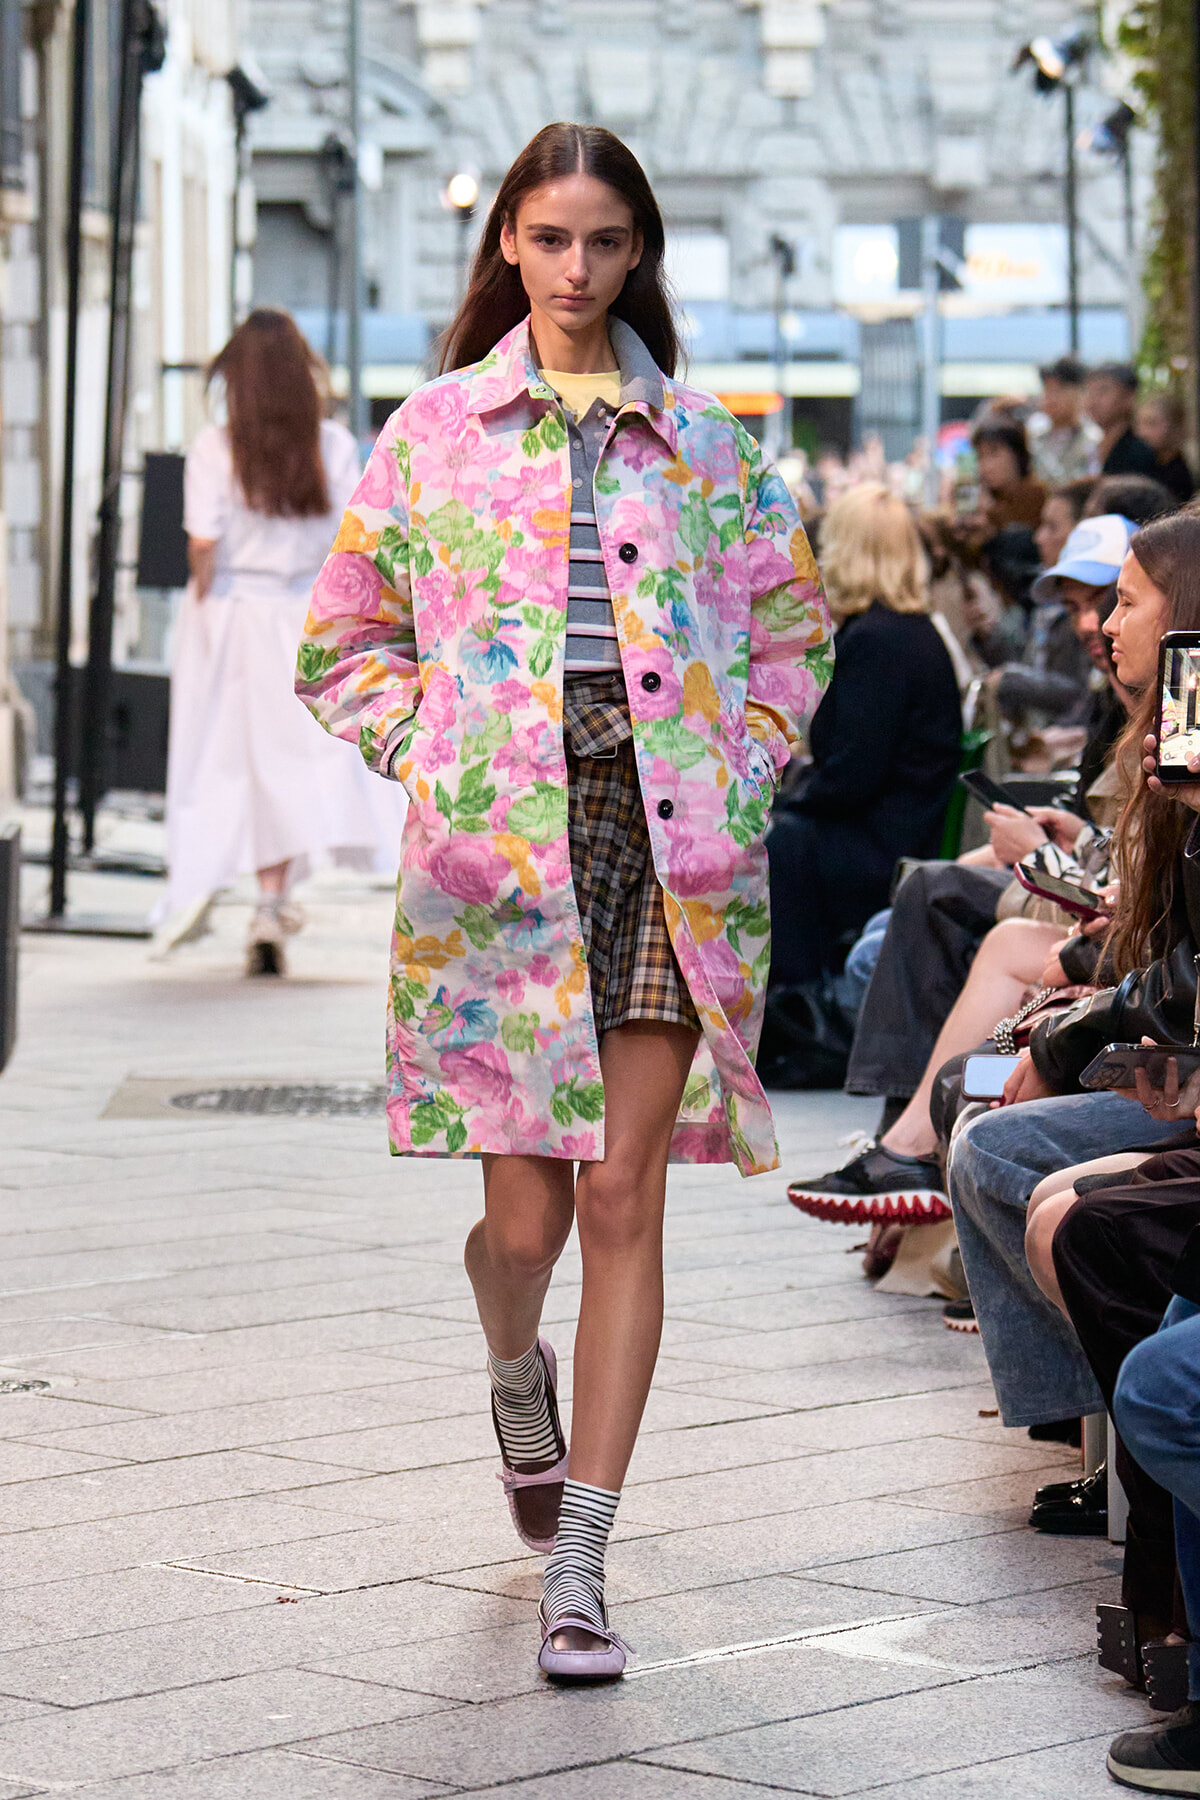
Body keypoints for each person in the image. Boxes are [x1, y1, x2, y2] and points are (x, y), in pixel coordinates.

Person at [295, 121, 831, 1681]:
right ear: (510, 248)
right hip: (497, 857)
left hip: (670, 841)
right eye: (552, 240)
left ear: (640, 250)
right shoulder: (437, 434)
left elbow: (794, 637)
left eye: (607, 241)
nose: (580, 269)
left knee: (622, 1200)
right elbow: (341, 644)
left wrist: (747, 762)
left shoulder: (713, 449)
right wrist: (438, 755)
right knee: (521, 1219)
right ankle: (510, 1365)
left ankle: (583, 1564)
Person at [163, 309, 404, 972]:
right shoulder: (331, 445)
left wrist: (203, 605)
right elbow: (349, 541)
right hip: (305, 613)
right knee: (295, 762)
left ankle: (264, 901)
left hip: (235, 613)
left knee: (238, 763)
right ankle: (273, 900)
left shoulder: (216, 447)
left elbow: (203, 546)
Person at [765, 483, 960, 987]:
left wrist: (781, 806)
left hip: (879, 846)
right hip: (898, 830)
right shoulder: (907, 631)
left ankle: (795, 1016)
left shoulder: (880, 640)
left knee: (772, 844)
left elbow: (852, 775)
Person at [1029, 355, 1099, 486]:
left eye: (1059, 389)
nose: (1050, 397)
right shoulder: (1031, 435)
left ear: (1081, 392)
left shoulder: (1094, 439)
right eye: (1047, 389)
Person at [1086, 362, 1159, 479]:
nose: (1093, 401)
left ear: (1129, 397)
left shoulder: (1139, 454)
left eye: (1102, 391)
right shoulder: (1090, 447)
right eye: (1090, 392)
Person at [1136, 390, 1196, 504]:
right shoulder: (1146, 464)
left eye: (1152, 423)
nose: (1142, 433)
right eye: (1139, 424)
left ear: (1175, 425)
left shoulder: (1178, 474)